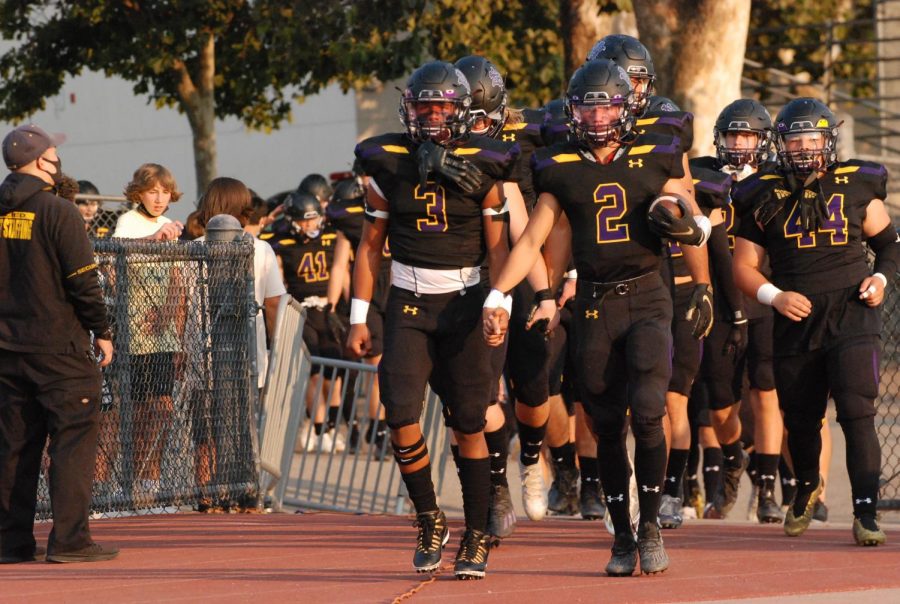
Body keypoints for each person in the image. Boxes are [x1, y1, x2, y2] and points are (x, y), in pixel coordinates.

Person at [483, 59, 712, 576]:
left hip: (649, 296)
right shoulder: (559, 164)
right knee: (605, 423)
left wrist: (700, 276)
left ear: (627, 107)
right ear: (573, 110)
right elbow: (535, 240)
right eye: (588, 104)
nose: (597, 114)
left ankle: (650, 523)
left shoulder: (658, 152)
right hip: (593, 301)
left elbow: (694, 217)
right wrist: (500, 294)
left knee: (650, 408)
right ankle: (622, 536)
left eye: (607, 103)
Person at [349, 60, 517, 580]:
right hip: (408, 300)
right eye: (424, 104)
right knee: (399, 413)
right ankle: (429, 518)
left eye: (443, 104)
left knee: (470, 421)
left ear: (463, 109)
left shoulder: (488, 162)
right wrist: (359, 316)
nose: (433, 113)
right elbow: (369, 246)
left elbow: (499, 245)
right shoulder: (385, 161)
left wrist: (500, 303)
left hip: (466, 301)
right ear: (409, 106)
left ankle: (477, 534)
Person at [733, 97, 896, 546]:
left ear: (829, 140)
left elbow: (889, 244)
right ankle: (806, 486)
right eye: (795, 139)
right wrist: (775, 295)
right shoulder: (759, 190)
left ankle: (865, 511)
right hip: (795, 317)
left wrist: (880, 277)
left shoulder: (858, 182)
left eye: (812, 138)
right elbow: (743, 266)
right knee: (802, 418)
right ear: (779, 143)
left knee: (857, 410)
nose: (804, 148)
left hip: (851, 313)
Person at [0, 123, 118, 563]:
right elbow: (83, 282)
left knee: (14, 445)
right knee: (72, 440)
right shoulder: (57, 211)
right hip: (58, 346)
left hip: (7, 347)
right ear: (41, 161)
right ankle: (70, 540)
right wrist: (102, 330)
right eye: (52, 154)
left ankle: (10, 542)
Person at [113, 164, 186, 504]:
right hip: (134, 332)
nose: (159, 199)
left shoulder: (168, 227)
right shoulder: (130, 221)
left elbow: (178, 279)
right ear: (138, 193)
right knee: (138, 410)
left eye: (164, 192)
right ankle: (129, 481)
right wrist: (152, 239)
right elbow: (114, 255)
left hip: (163, 334)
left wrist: (170, 316)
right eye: (152, 191)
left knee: (162, 408)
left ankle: (150, 479)